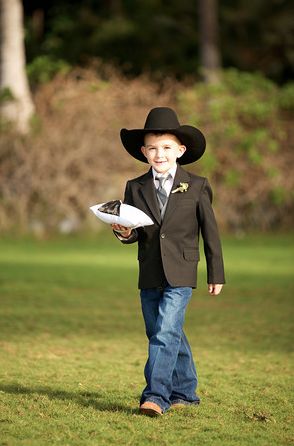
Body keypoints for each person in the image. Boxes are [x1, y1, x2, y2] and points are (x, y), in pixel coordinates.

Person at [111, 107, 225, 417]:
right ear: (144, 151)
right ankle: (185, 392)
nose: (159, 154)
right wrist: (124, 233)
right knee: (163, 332)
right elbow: (136, 232)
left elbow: (210, 234)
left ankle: (156, 396)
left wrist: (216, 272)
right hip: (149, 270)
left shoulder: (197, 185)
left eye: (166, 147)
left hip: (182, 270)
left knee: (165, 332)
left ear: (180, 150)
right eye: (152, 148)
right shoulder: (134, 187)